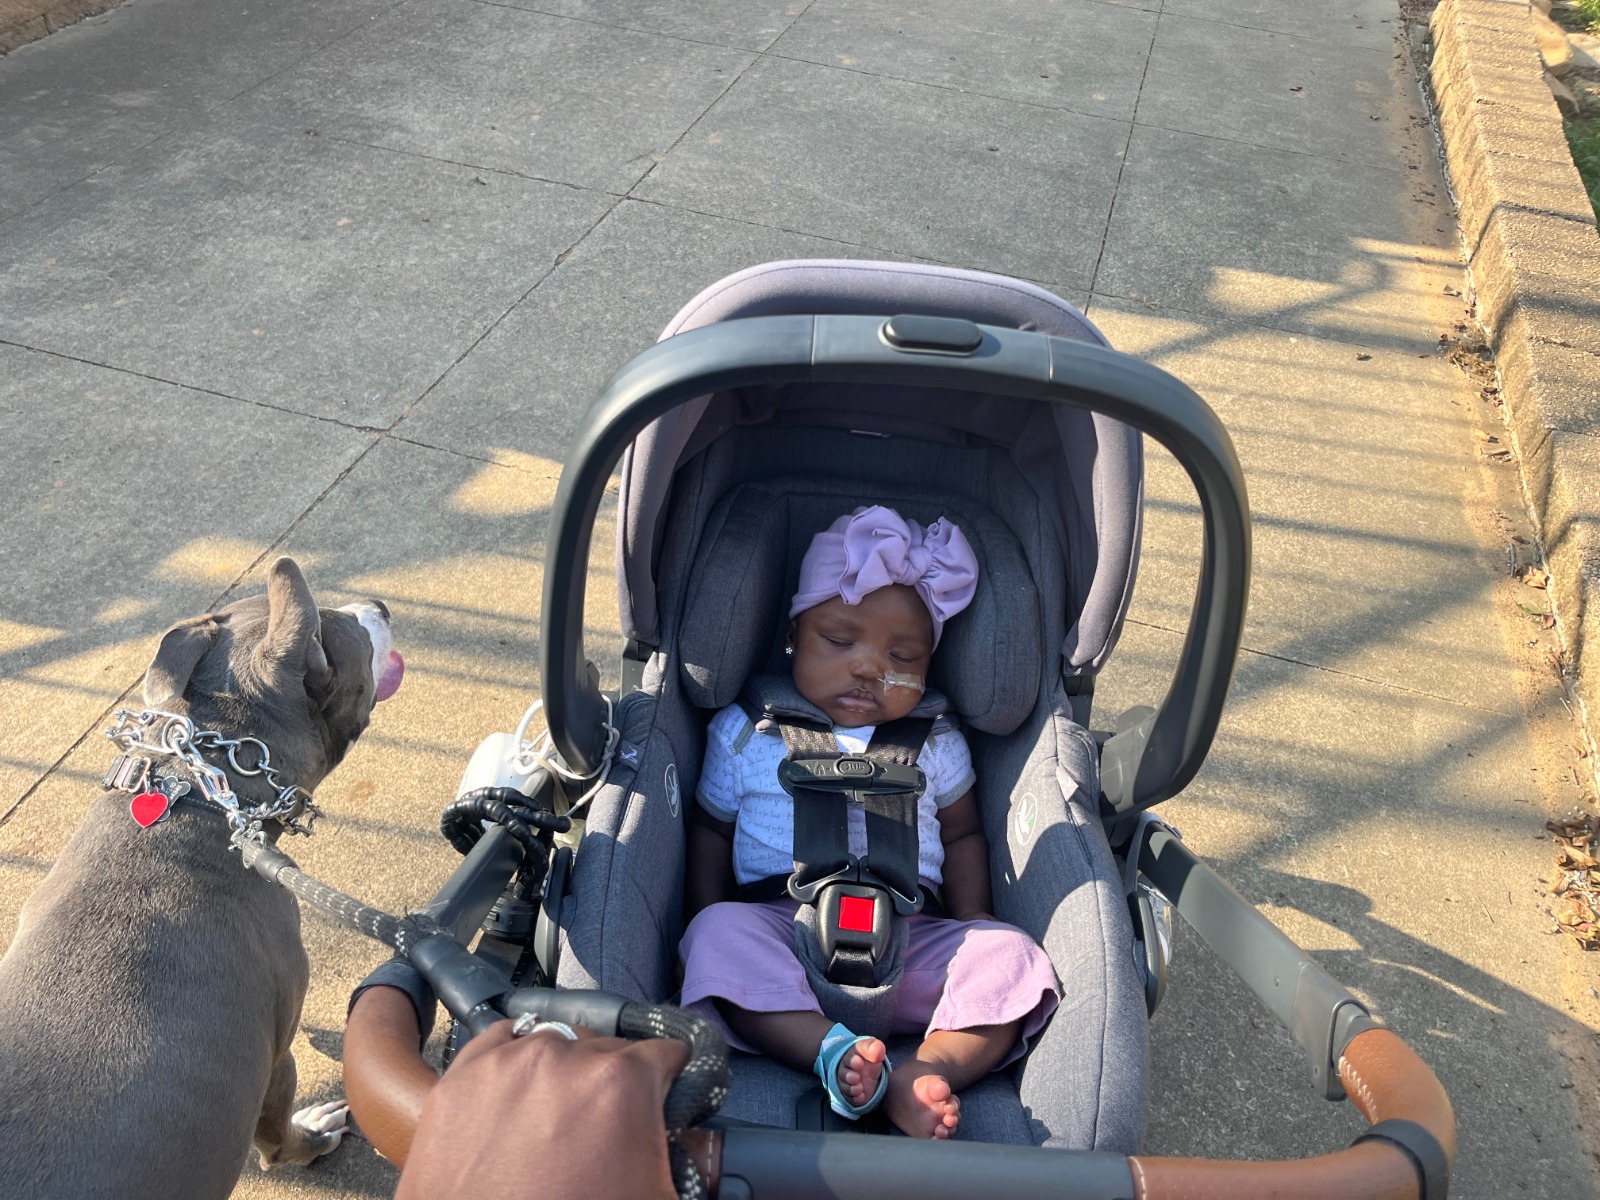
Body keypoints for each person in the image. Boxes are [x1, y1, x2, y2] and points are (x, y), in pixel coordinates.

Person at [679, 506, 1060, 1140]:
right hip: (782, 936)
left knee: (1013, 959)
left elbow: (963, 834)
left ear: (928, 667)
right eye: (839, 641)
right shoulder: (749, 732)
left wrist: (975, 917)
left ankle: (923, 1069)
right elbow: (711, 832)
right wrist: (703, 916)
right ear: (794, 634)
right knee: (716, 937)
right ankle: (829, 1052)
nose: (868, 667)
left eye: (901, 654)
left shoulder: (937, 743)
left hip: (912, 942)